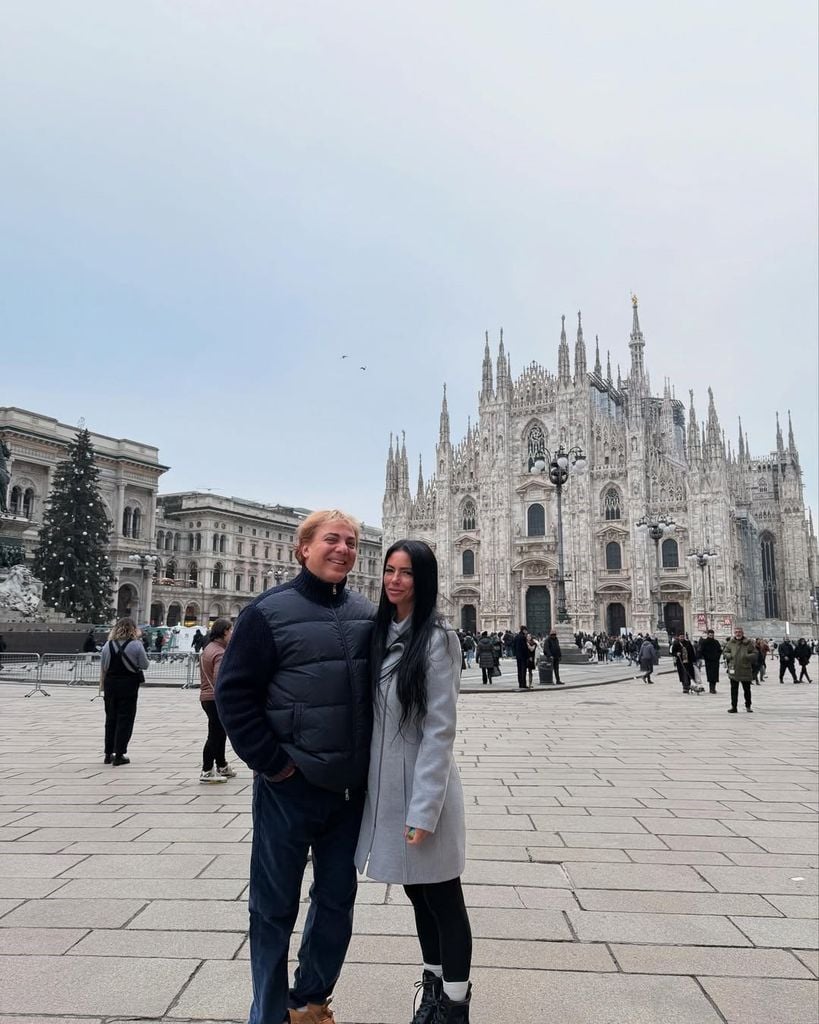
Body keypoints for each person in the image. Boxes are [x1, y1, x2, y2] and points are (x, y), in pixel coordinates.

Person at [215, 510, 376, 1024]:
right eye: (332, 540)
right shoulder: (267, 611)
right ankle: (267, 1012)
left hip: (348, 793)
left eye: (351, 542)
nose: (344, 549)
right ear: (302, 548)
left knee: (336, 904)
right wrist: (273, 764)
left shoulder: (366, 613)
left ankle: (310, 1001)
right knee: (273, 907)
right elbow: (233, 694)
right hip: (290, 787)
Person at [356, 540, 472, 1024]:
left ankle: (456, 1004)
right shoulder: (382, 633)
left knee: (443, 897)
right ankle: (432, 986)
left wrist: (423, 811)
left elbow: (439, 730)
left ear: (423, 581)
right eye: (389, 570)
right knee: (416, 893)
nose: (394, 579)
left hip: (425, 796)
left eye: (405, 572)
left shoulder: (438, 638)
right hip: (387, 793)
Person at [99, 618, 149, 765]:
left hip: (110, 684)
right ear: (133, 629)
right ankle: (119, 753)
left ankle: (108, 753)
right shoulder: (136, 645)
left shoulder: (108, 645)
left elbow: (104, 665)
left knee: (110, 718)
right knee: (125, 719)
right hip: (128, 684)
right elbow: (144, 665)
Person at [199, 617, 237, 783]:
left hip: (208, 697)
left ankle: (221, 765)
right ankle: (207, 770)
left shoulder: (209, 648)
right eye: (231, 630)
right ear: (224, 632)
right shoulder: (220, 652)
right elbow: (219, 679)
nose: (232, 634)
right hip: (215, 698)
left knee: (220, 733)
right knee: (215, 734)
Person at [724, 627, 756, 713]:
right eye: (736, 632)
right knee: (733, 689)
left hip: (745, 668)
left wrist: (747, 656)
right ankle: (734, 707)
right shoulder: (731, 642)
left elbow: (755, 653)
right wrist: (729, 656)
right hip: (733, 668)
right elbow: (725, 651)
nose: (738, 634)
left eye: (739, 632)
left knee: (747, 689)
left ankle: (748, 705)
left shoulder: (748, 643)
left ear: (742, 633)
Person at [699, 629, 722, 694]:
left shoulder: (716, 642)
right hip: (708, 661)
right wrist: (706, 657)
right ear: (708, 635)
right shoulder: (704, 642)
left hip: (715, 661)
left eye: (712, 635)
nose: (711, 636)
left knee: (715, 674)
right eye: (710, 635)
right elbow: (701, 651)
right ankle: (711, 688)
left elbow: (720, 650)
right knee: (710, 674)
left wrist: (717, 656)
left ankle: (713, 687)